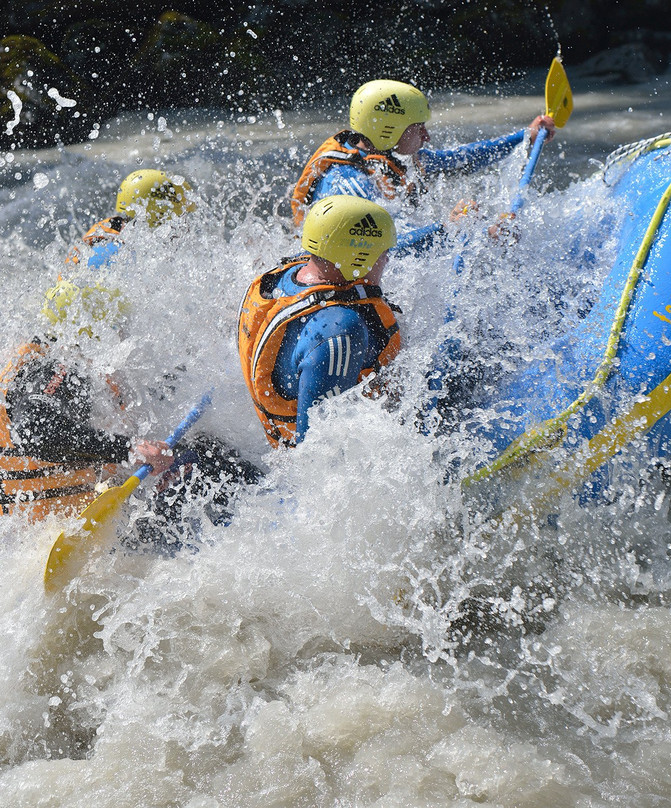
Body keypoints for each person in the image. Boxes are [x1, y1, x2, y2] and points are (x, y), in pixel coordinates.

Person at [1, 281, 260, 544]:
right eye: (117, 328)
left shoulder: (60, 361)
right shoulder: (51, 369)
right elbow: (36, 432)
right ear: (92, 334)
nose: (124, 335)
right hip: (48, 529)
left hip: (87, 511)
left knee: (204, 446)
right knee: (212, 460)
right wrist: (131, 449)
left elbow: (151, 397)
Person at [238, 195, 400, 447]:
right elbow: (317, 454)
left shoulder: (288, 275)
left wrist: (445, 228)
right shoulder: (340, 331)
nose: (388, 260)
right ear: (359, 256)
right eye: (384, 253)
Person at [289, 79, 555, 229]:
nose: (426, 136)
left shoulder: (390, 154)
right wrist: (448, 227)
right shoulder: (348, 184)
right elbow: (388, 245)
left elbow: (463, 159)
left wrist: (524, 137)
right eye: (418, 128)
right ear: (389, 130)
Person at [65, 169, 196, 269]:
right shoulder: (112, 255)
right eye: (182, 218)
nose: (187, 227)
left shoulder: (118, 239)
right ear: (158, 218)